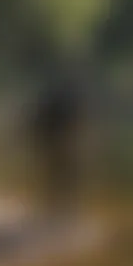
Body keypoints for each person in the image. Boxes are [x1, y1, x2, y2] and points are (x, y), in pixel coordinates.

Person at [30, 67, 86, 215]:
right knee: (63, 175)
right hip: (61, 143)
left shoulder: (52, 100)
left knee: (56, 175)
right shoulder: (67, 101)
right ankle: (61, 205)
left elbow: (39, 122)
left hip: (55, 143)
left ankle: (56, 204)